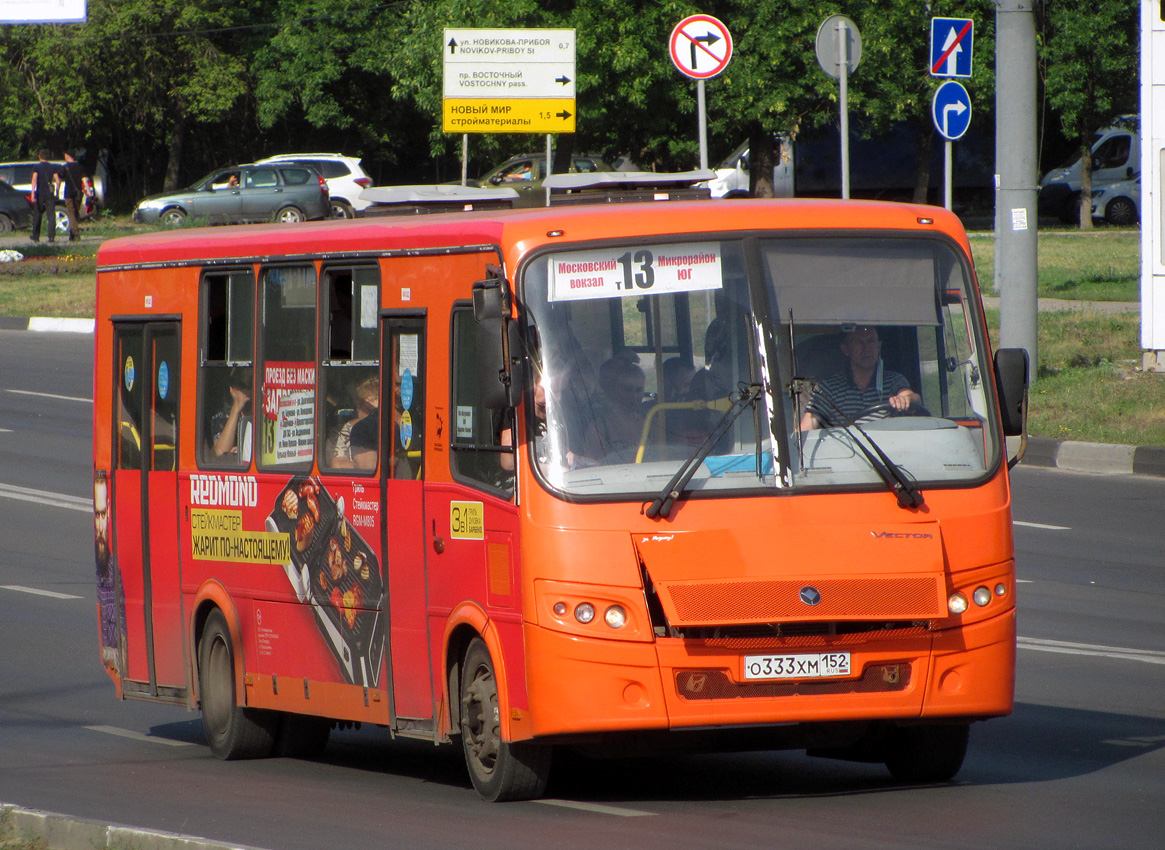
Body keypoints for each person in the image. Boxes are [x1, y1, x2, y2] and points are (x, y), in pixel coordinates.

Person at [799, 326, 921, 430]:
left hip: (886, 453)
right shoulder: (829, 388)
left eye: (871, 341)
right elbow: (807, 425)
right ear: (846, 349)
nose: (866, 348)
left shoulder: (893, 380)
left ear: (879, 346)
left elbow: (913, 398)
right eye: (859, 342)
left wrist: (905, 400)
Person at [582, 356, 647, 462]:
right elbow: (592, 467)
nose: (634, 396)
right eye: (628, 390)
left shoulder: (652, 424)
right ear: (615, 390)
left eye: (638, 390)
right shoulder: (598, 429)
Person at [330, 376, 379, 468]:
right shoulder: (349, 428)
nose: (359, 408)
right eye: (359, 403)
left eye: (366, 405)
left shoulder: (388, 426)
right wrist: (360, 464)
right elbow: (337, 464)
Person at [210, 368, 253, 463]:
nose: (246, 390)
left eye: (250, 386)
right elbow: (221, 453)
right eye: (242, 386)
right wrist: (236, 409)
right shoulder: (221, 417)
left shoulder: (261, 414)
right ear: (232, 389)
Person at [29, 149, 60, 243]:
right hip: (49, 194)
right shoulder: (52, 167)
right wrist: (57, 192)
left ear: (39, 156)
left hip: (40, 193)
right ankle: (51, 236)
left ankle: (36, 235)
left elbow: (34, 180)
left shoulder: (37, 167)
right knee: (51, 215)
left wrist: (32, 193)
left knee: (38, 214)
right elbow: (58, 181)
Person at [60, 151, 87, 242]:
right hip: (78, 193)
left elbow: (60, 178)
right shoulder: (80, 167)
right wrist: (88, 190)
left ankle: (76, 233)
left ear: (68, 156)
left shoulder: (65, 168)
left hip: (69, 193)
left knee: (71, 214)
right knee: (76, 213)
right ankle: (72, 234)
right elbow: (84, 179)